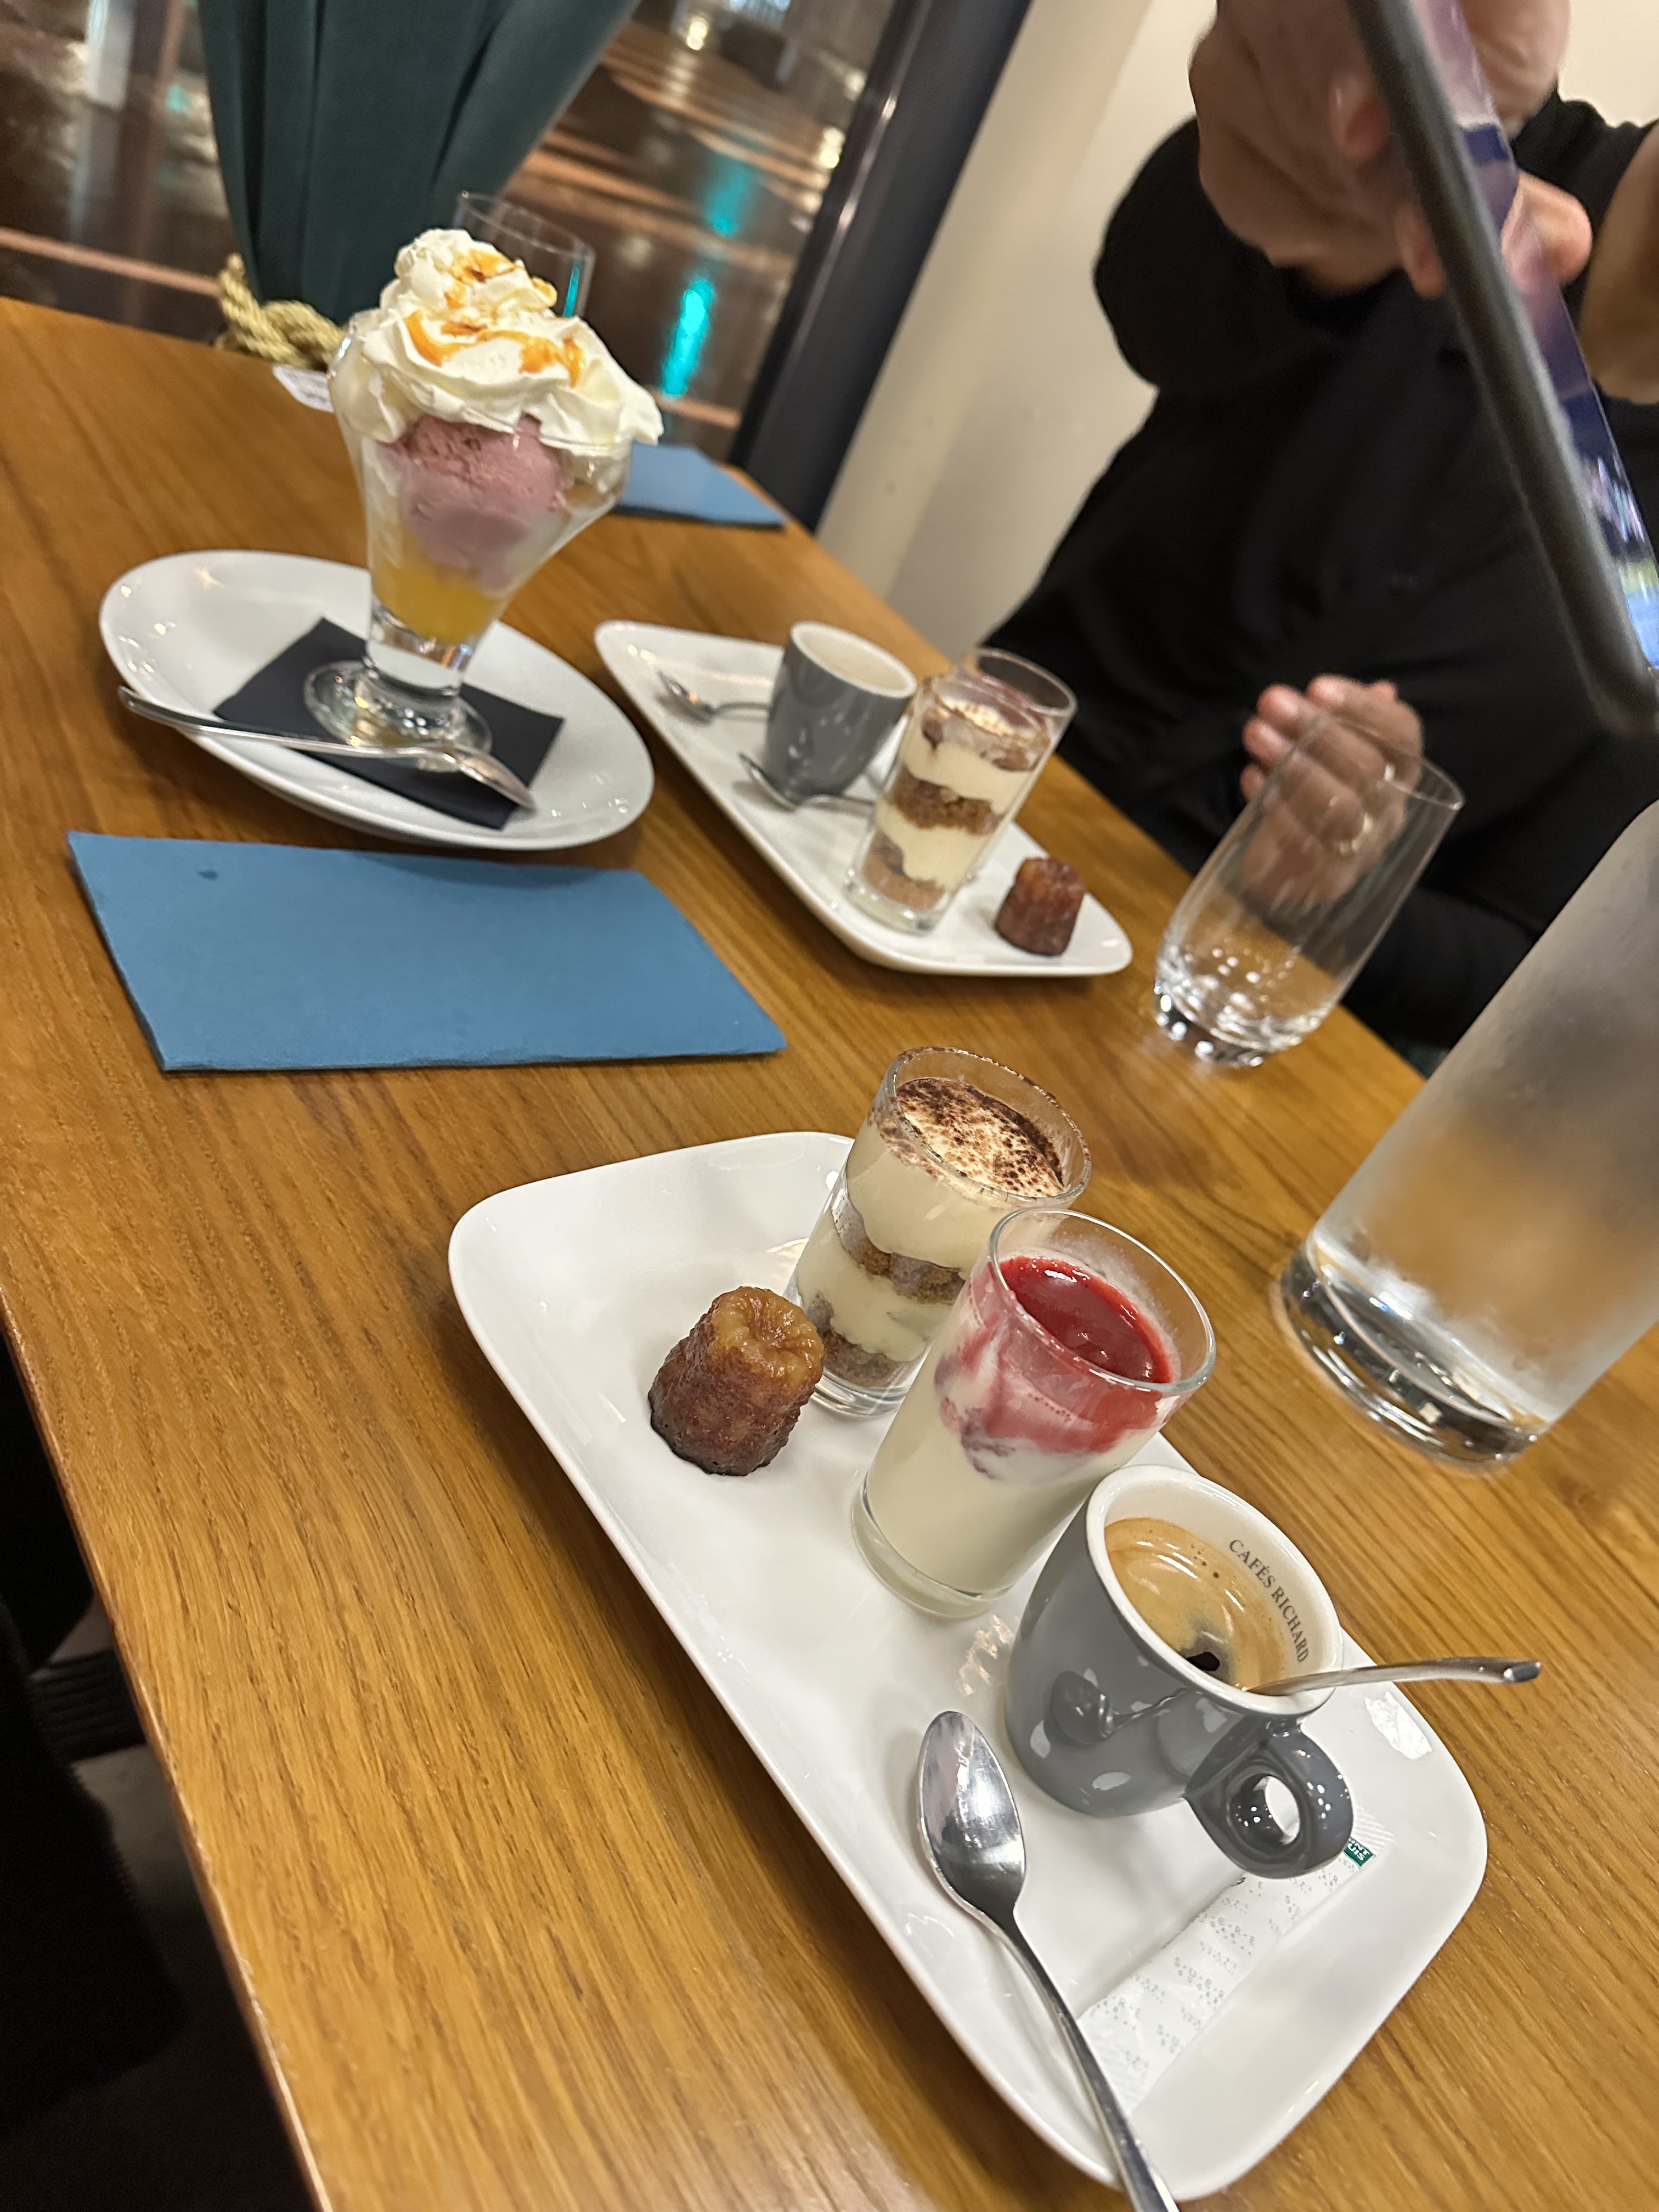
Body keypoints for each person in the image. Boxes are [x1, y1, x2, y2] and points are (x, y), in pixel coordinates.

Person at [991, 0, 1659, 1049]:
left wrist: (1352, 883)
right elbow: (1146, 291)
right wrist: (1308, 233)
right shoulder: (1461, 138)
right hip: (986, 783)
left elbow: (1523, 955)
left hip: (1231, 1041)